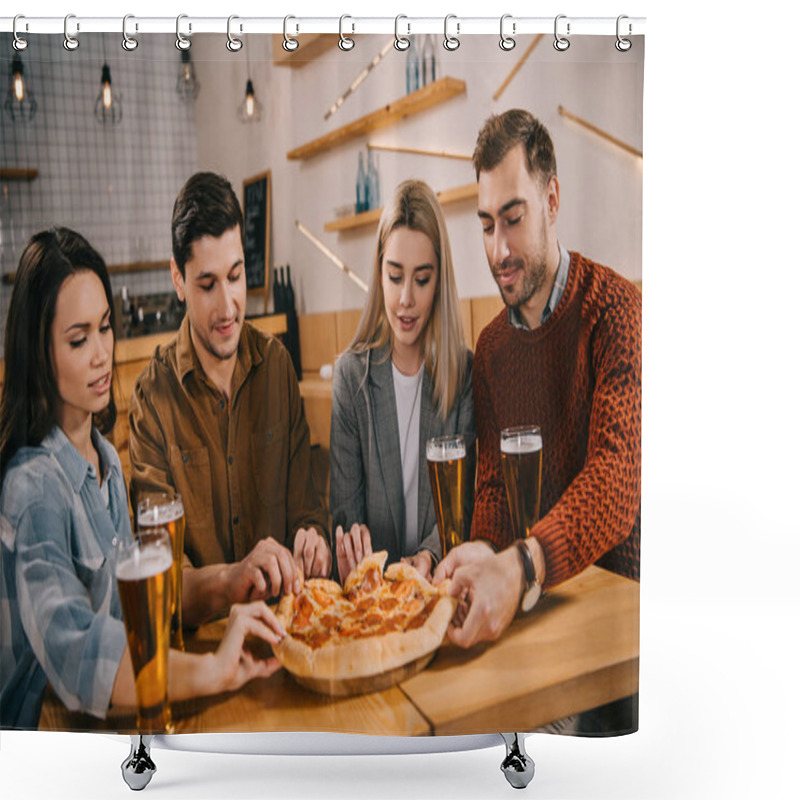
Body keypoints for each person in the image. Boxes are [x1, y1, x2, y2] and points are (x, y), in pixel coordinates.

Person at [0, 228, 286, 729]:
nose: (101, 354)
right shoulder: (33, 487)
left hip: (109, 723)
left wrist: (232, 580)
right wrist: (215, 669)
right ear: (38, 351)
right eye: (78, 338)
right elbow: (76, 654)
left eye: (105, 328)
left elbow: (143, 608)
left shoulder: (106, 462)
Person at [435, 109, 641, 656]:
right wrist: (481, 548)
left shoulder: (617, 310)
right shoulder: (492, 349)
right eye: (485, 224)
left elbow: (616, 477)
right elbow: (496, 490)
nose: (498, 250)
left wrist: (524, 563)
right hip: (532, 622)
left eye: (513, 217)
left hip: (618, 627)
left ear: (551, 201)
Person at [128, 172, 330, 627]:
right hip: (201, 656)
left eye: (235, 276)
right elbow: (161, 581)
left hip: (287, 634)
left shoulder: (277, 366)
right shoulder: (152, 400)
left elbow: (308, 512)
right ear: (178, 280)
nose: (227, 307)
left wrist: (313, 540)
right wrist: (235, 578)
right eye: (207, 284)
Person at [330, 180, 474, 583]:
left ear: (439, 281)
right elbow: (345, 518)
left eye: (422, 279)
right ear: (379, 274)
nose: (406, 298)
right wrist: (349, 546)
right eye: (395, 277)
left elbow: (465, 511)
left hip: (443, 588)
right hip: (375, 601)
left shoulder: (463, 374)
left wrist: (428, 556)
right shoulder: (350, 379)